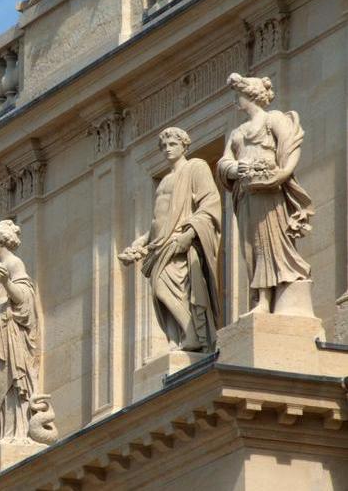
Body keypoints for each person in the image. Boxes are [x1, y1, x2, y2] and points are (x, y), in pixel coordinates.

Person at [216, 73, 313, 315]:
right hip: (246, 193)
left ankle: (271, 297)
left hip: (269, 190)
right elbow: (223, 163)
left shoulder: (273, 119)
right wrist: (236, 168)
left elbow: (290, 146)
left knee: (269, 242)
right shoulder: (238, 132)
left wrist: (282, 174)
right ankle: (260, 298)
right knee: (251, 247)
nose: (237, 102)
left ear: (250, 97)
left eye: (239, 97)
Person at [119, 128, 222, 351]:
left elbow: (210, 204)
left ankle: (193, 335)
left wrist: (189, 235)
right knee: (161, 291)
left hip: (179, 240)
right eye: (163, 146)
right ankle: (186, 335)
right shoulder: (164, 179)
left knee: (162, 289)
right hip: (159, 245)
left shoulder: (196, 167)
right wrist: (142, 241)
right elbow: (160, 219)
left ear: (184, 145)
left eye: (173, 144)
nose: (167, 149)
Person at [0, 220, 45, 444]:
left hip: (7, 331)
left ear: (0, 241)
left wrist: (6, 282)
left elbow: (25, 297)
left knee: (7, 378)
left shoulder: (14, 264)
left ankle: (14, 431)